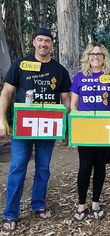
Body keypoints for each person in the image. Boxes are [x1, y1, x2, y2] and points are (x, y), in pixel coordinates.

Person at [0, 27, 71, 232]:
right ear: (33, 42)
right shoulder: (21, 64)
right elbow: (6, 92)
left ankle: (38, 204)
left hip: (48, 126)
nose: (43, 44)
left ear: (52, 44)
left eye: (47, 41)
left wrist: (66, 128)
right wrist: (2, 119)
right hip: (24, 125)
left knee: (43, 167)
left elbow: (66, 101)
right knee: (18, 167)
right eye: (40, 40)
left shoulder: (59, 70)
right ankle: (10, 213)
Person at [70, 43, 110, 221]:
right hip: (84, 128)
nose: (95, 56)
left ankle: (96, 202)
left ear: (104, 57)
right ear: (87, 56)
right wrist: (74, 123)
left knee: (100, 167)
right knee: (84, 167)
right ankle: (81, 204)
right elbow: (73, 105)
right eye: (92, 53)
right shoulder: (80, 77)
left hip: (104, 128)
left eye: (99, 54)